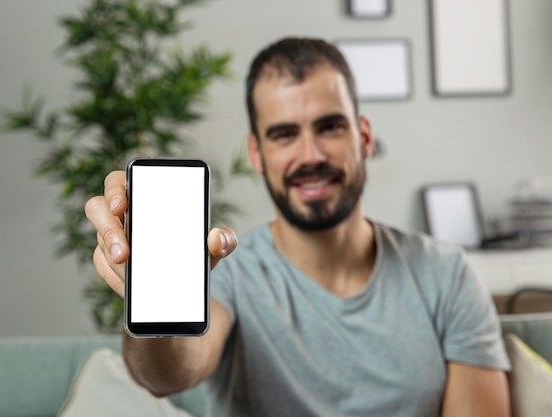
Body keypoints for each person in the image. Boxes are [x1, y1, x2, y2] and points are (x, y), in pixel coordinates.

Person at [85, 37, 510, 416]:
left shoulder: (446, 275)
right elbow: (169, 376)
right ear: (257, 153)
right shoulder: (225, 270)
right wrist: (146, 296)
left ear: (363, 137)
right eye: (284, 134)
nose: (310, 155)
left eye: (329, 127)